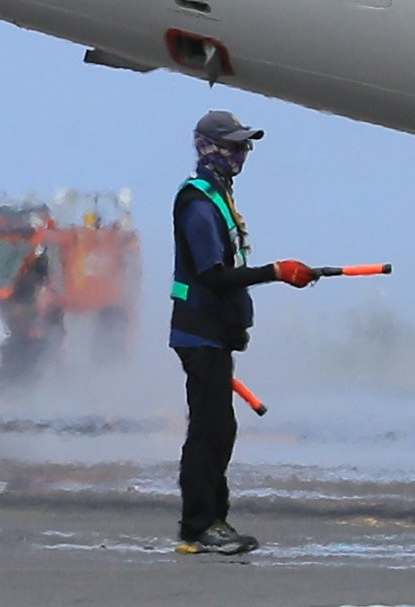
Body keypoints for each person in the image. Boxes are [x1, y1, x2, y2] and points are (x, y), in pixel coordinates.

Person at [170, 110, 316, 554]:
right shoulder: (199, 202)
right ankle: (199, 526)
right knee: (208, 431)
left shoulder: (219, 196)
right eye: (234, 146)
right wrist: (275, 272)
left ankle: (215, 519)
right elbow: (213, 276)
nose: (242, 154)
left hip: (214, 333)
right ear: (210, 148)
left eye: (245, 146)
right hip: (199, 332)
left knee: (222, 429)